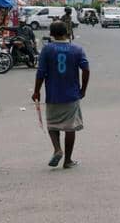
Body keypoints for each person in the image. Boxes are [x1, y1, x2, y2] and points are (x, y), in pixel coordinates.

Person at [33, 21, 89, 168]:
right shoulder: (77, 49)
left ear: (51, 34)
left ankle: (57, 149)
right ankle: (68, 160)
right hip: (71, 94)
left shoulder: (47, 50)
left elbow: (41, 73)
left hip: (53, 94)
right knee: (70, 127)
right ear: (67, 33)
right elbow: (86, 69)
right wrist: (83, 89)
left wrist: (36, 91)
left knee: (53, 124)